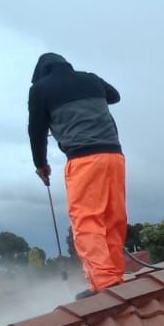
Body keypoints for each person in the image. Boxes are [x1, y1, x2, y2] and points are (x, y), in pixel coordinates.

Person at [27, 53, 127, 295]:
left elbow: (36, 131)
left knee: (87, 219)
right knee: (113, 218)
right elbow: (114, 95)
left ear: (42, 73)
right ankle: (114, 275)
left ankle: (103, 282)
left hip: (83, 159)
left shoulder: (40, 90)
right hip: (114, 156)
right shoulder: (91, 80)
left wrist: (40, 164)